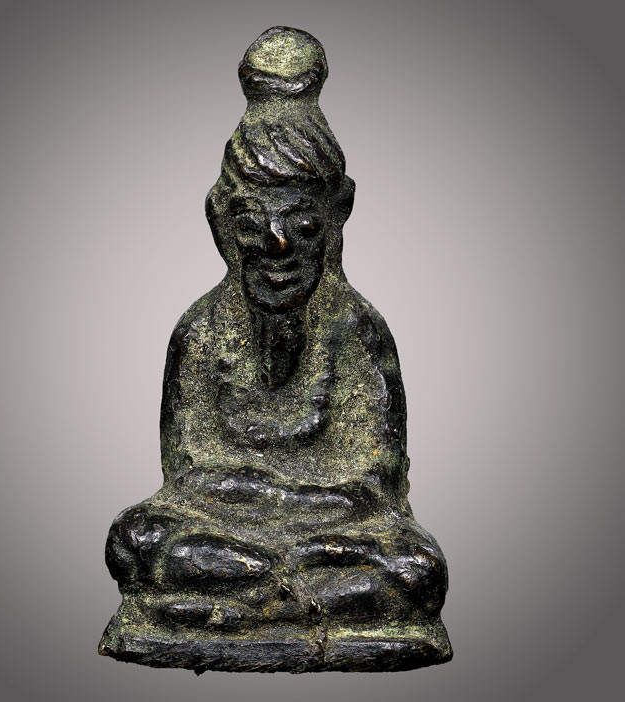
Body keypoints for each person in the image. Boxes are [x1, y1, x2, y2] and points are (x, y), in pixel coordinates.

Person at [100, 26, 451, 672]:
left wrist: (287, 508)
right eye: (251, 223)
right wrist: (263, 505)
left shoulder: (359, 332)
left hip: (333, 542)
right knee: (140, 540)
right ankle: (277, 593)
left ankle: (246, 603)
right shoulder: (201, 333)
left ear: (338, 215)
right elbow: (187, 479)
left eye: (302, 223)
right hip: (228, 537)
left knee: (412, 568)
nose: (278, 245)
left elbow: (379, 488)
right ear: (219, 221)